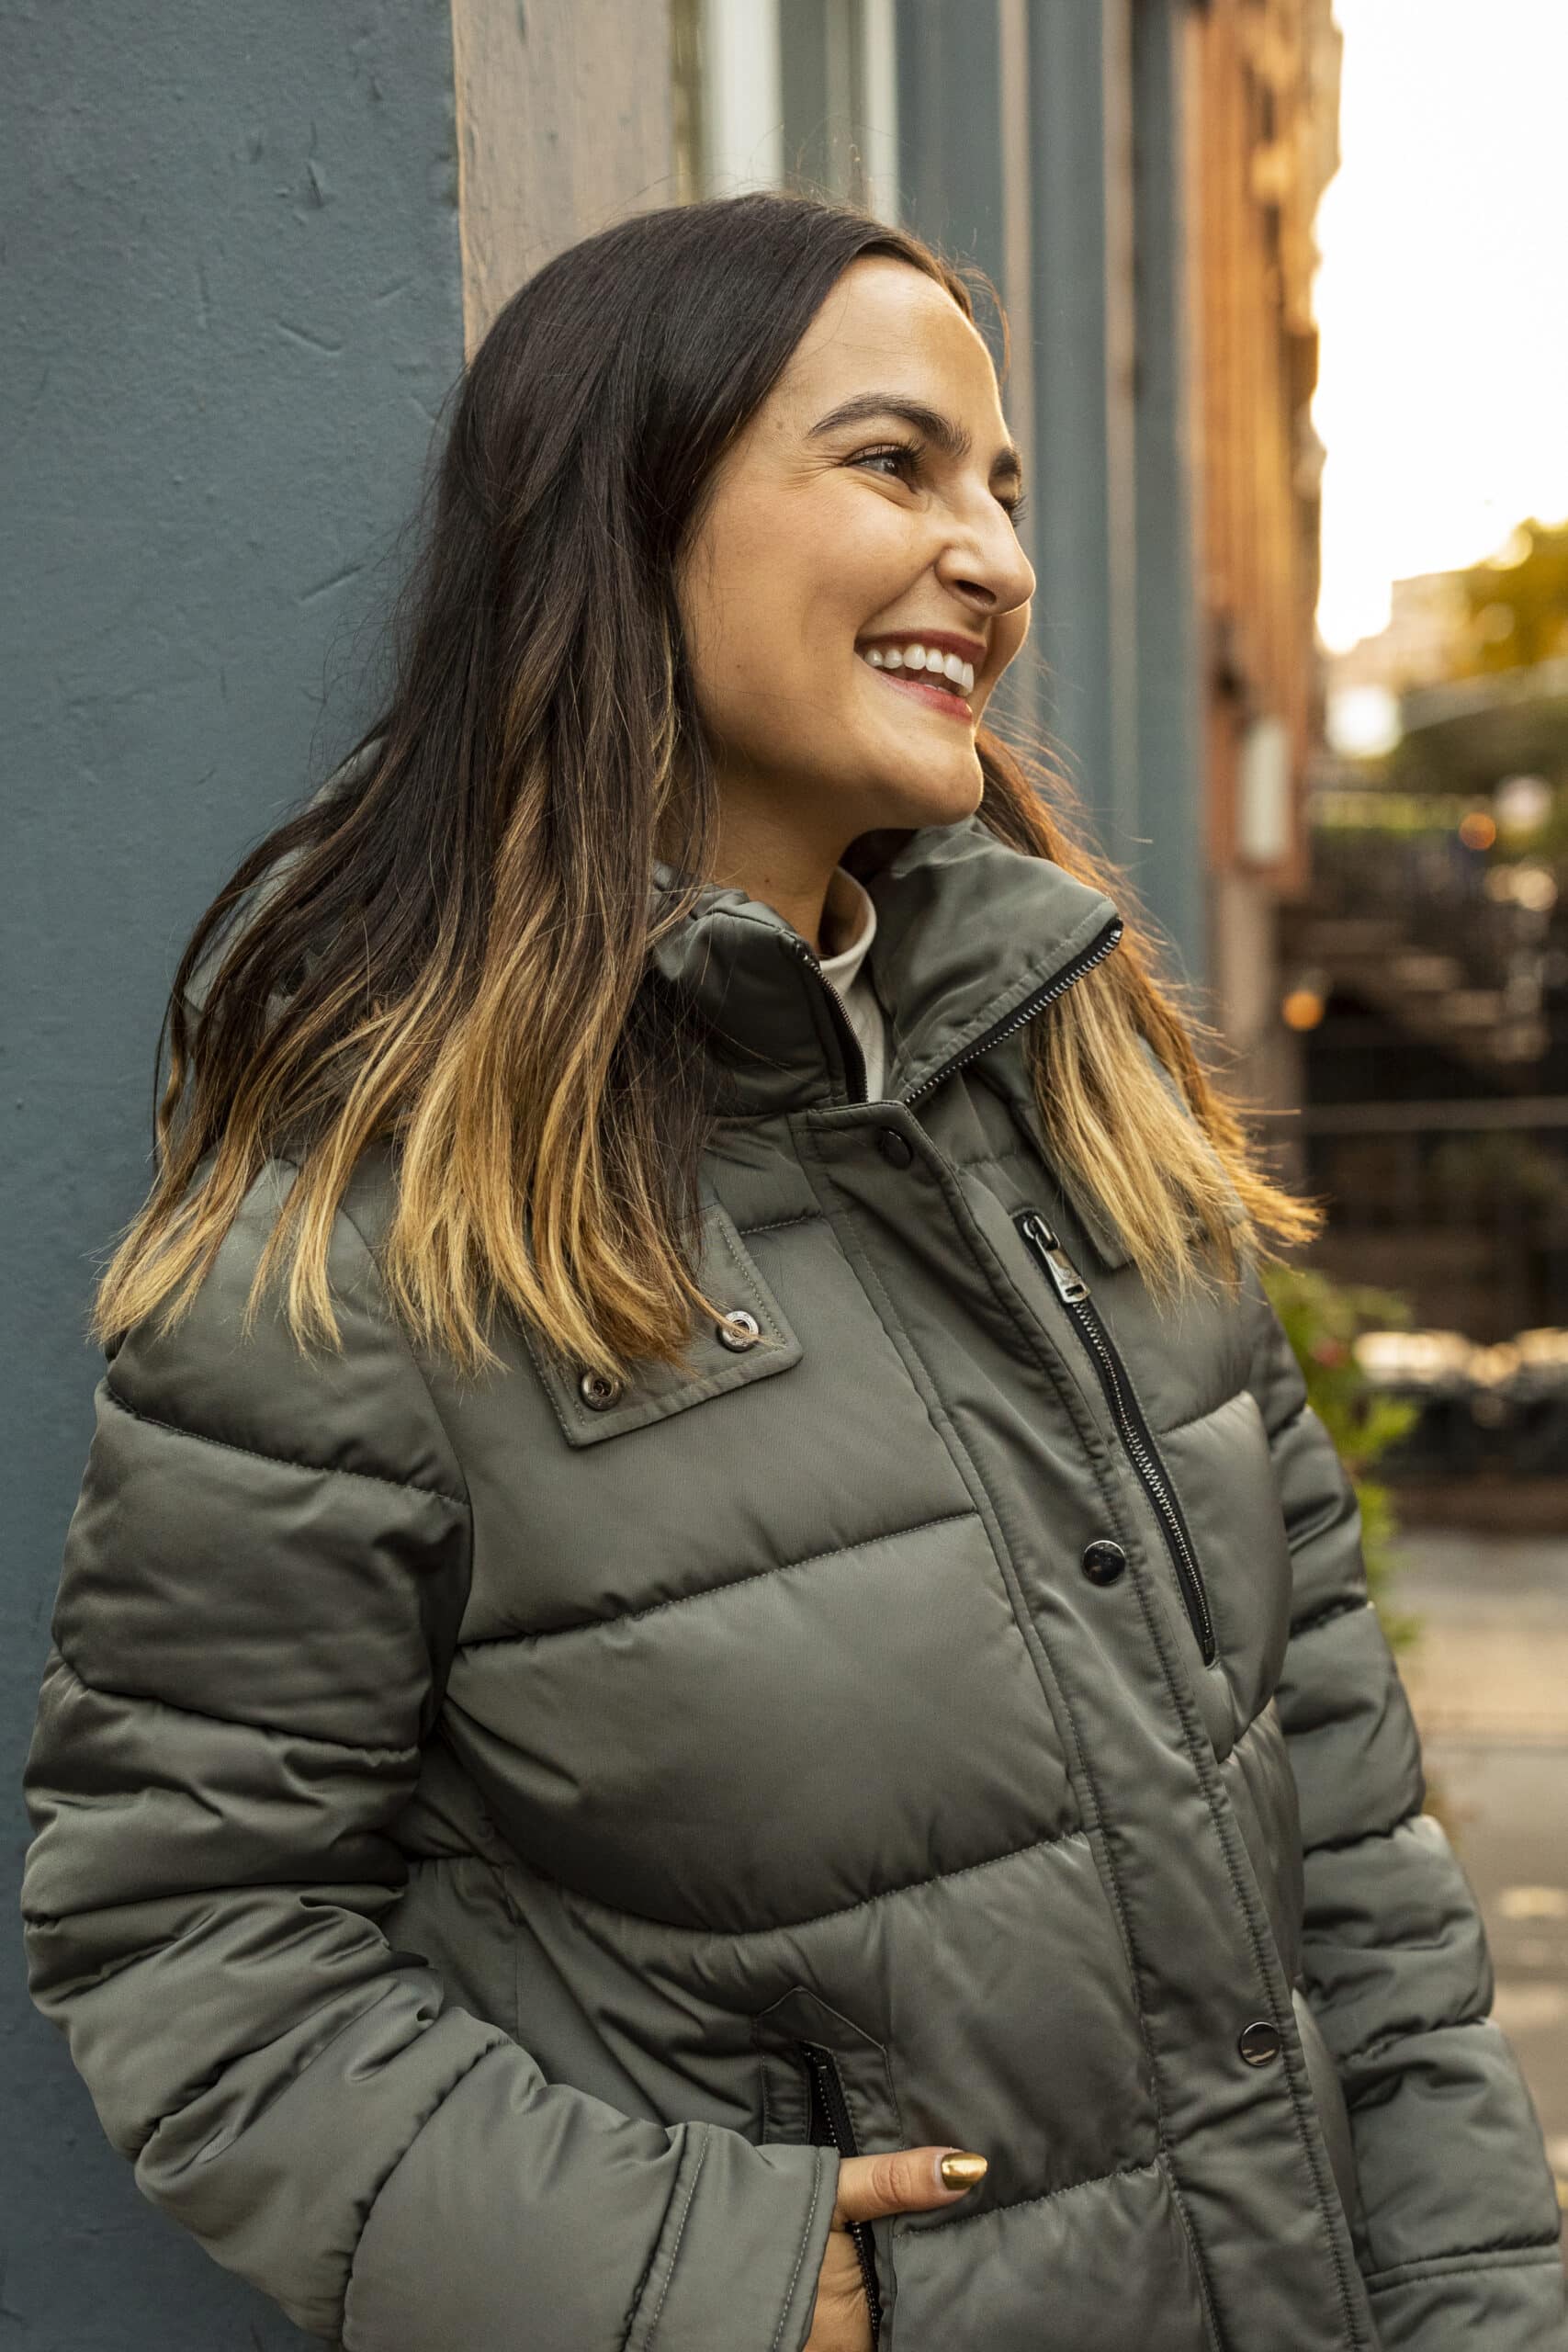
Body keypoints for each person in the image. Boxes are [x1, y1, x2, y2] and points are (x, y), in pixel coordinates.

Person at [19, 191, 1565, 2352]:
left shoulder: (1094, 1104)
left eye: (1005, 491)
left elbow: (1358, 1866)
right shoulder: (380, 1231)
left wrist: (1482, 2304)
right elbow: (186, 1939)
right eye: (893, 464)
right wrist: (700, 2270)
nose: (999, 562)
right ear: (626, 516)